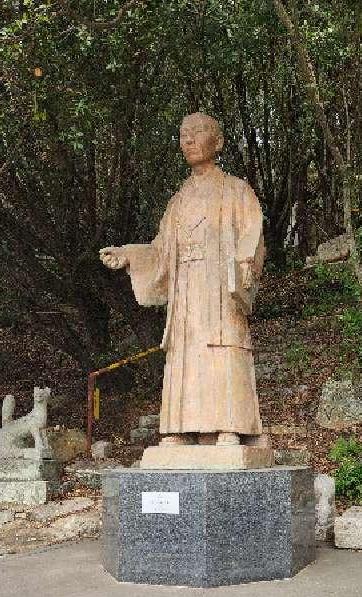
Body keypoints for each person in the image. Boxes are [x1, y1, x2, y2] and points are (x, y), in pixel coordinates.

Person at [100, 112, 265, 448]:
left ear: (217, 141)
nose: (189, 140)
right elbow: (161, 251)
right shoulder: (177, 202)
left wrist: (247, 260)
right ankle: (181, 427)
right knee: (186, 355)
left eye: (198, 132)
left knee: (223, 349)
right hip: (187, 292)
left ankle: (229, 427)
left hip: (219, 289)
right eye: (183, 134)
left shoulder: (236, 191)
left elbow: (253, 232)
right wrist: (131, 254)